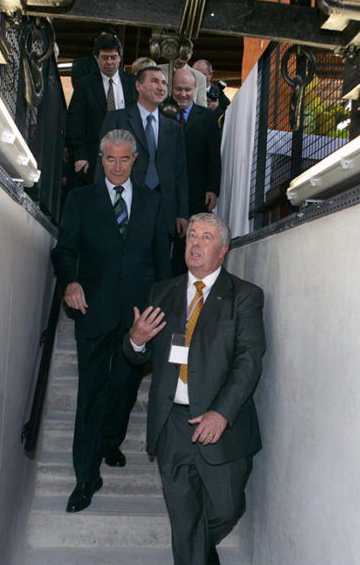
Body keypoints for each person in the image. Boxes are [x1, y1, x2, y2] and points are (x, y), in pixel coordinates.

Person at [126, 212, 266, 565]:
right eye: (191, 236)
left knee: (226, 509)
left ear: (223, 250)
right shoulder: (163, 292)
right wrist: (136, 340)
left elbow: (249, 360)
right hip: (172, 423)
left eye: (206, 238)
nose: (196, 244)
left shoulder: (244, 297)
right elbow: (133, 355)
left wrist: (222, 412)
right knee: (185, 523)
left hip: (221, 425)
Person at [50, 129, 171, 513]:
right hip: (94, 311)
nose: (117, 167)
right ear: (101, 159)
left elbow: (162, 264)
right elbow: (65, 250)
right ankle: (85, 477)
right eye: (110, 159)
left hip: (137, 316)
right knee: (91, 391)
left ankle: (109, 440)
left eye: (124, 159)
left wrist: (160, 312)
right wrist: (70, 281)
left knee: (124, 386)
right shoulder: (81, 200)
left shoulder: (153, 203)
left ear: (136, 159)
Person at [100, 65, 189, 242]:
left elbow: (180, 173)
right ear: (138, 86)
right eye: (154, 81)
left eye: (164, 83)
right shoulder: (117, 119)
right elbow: (102, 165)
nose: (161, 87)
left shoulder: (174, 129)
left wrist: (182, 213)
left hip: (163, 208)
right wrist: (101, 207)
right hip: (124, 204)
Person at [65, 33, 137, 187]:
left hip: (126, 155)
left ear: (120, 57)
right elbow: (77, 124)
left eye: (113, 57)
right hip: (93, 157)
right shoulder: (84, 85)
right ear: (96, 58)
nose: (109, 62)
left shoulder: (132, 84)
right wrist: (80, 156)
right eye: (105, 57)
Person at [170, 68, 222, 274]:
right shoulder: (161, 113)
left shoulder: (208, 118)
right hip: (166, 190)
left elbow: (213, 157)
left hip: (197, 191)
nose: (183, 94)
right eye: (178, 89)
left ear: (195, 90)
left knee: (190, 241)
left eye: (187, 90)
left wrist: (212, 189)